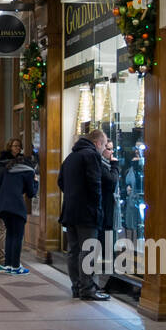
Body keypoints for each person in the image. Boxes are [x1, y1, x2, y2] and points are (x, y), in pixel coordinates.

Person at [58, 128, 108, 300]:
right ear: (97, 143)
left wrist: (73, 195)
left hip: (70, 210)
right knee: (88, 250)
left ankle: (77, 286)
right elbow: (95, 183)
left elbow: (60, 182)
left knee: (74, 250)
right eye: (104, 145)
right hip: (87, 212)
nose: (103, 149)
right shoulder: (91, 155)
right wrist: (97, 205)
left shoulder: (70, 157)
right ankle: (87, 289)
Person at [0, 148, 39, 275]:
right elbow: (31, 193)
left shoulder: (9, 169)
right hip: (16, 206)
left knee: (10, 234)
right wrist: (35, 182)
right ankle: (16, 266)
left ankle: (9, 265)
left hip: (3, 206)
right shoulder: (28, 172)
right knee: (17, 236)